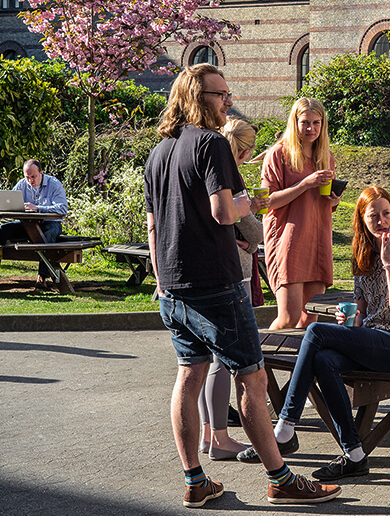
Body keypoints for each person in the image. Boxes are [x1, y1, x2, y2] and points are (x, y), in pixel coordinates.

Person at [144, 63, 339, 507]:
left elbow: (153, 227)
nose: (227, 102)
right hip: (215, 283)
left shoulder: (158, 153)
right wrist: (249, 200)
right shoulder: (211, 144)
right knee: (252, 379)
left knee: (189, 376)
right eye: (220, 95)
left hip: (173, 288)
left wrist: (161, 280)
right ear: (197, 97)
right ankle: (281, 479)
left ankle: (195, 480)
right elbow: (224, 213)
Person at [237, 186, 390, 482]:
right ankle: (355, 454)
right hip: (374, 341)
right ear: (362, 221)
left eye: (387, 213)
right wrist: (348, 323)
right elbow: (363, 315)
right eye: (373, 216)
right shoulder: (362, 254)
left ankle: (285, 427)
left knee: (314, 330)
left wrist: (389, 263)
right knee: (324, 358)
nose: (382, 221)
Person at [192, 117, 268, 461]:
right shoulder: (229, 175)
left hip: (204, 270)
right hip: (231, 273)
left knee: (208, 359)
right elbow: (251, 231)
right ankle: (220, 437)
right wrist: (254, 219)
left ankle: (210, 435)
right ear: (244, 149)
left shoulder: (202, 165)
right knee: (226, 360)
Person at [261, 97, 341, 329]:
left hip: (318, 242)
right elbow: (266, 202)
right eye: (305, 122)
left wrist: (333, 199)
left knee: (309, 319)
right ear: (294, 123)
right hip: (289, 241)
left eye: (317, 123)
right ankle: (260, 364)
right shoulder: (278, 154)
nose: (311, 129)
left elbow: (325, 204)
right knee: (288, 318)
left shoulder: (326, 156)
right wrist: (305, 184)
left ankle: (301, 366)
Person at [0, 159, 67, 290]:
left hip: (50, 224)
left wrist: (38, 208)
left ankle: (42, 277)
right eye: (27, 177)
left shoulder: (54, 184)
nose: (30, 180)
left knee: (46, 235)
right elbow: (11, 202)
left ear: (41, 173)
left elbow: (62, 208)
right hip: (27, 225)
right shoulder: (22, 184)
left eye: (33, 177)